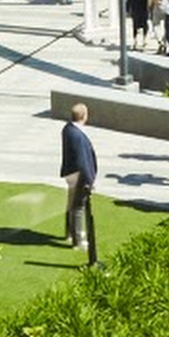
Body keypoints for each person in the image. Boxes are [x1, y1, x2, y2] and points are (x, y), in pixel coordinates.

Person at [60, 103, 97, 253]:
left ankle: (70, 232)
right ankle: (77, 240)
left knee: (72, 205)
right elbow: (83, 161)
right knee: (78, 208)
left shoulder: (67, 129)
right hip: (79, 176)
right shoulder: (78, 135)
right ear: (84, 116)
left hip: (70, 173)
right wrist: (89, 181)